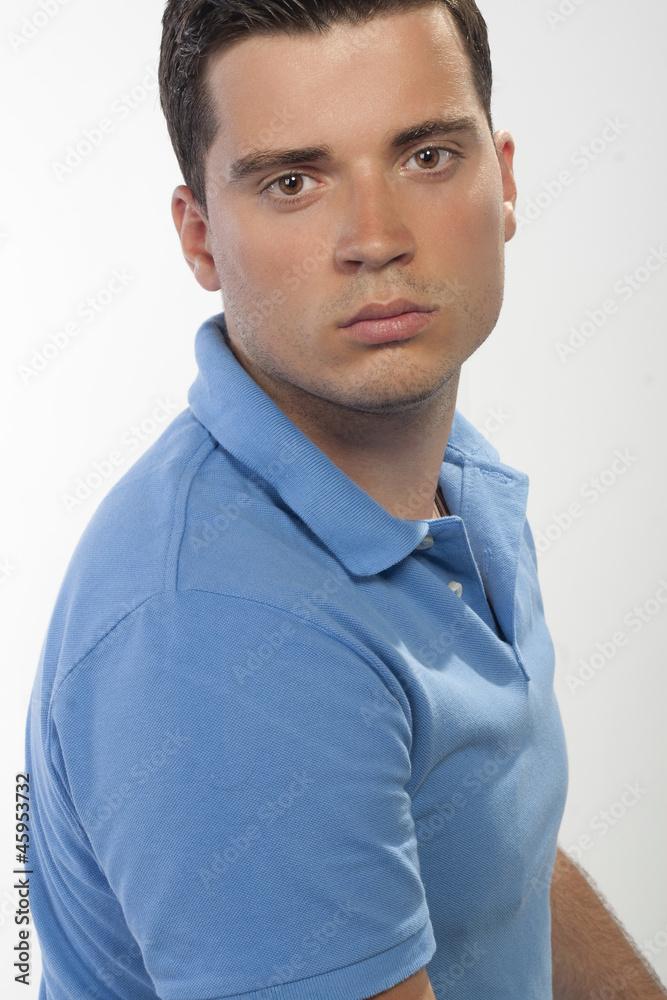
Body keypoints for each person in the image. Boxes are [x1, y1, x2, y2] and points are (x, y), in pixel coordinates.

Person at [23, 2, 666, 999]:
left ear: (502, 180)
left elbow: (496, 858)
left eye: (425, 157)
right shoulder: (222, 632)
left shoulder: (449, 476)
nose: (376, 238)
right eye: (293, 181)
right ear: (199, 237)